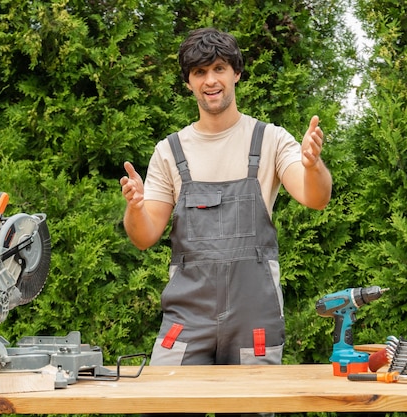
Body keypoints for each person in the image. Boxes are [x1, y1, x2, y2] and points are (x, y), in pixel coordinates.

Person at [120, 27, 332, 417]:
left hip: (255, 317)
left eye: (219, 68)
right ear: (189, 83)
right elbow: (145, 235)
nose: (210, 80)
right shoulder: (169, 151)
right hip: (187, 316)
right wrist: (134, 208)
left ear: (236, 73)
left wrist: (313, 164)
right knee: (163, 408)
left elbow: (314, 197)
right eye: (199, 72)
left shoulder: (269, 140)